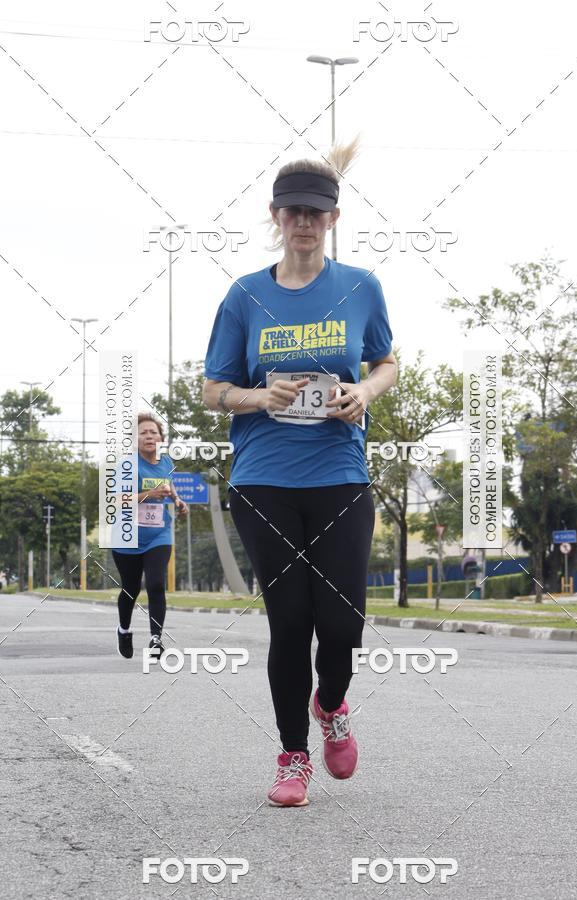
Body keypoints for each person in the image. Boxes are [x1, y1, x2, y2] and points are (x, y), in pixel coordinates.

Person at [202, 138, 397, 807]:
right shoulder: (246, 295)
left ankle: (332, 704)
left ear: (333, 219)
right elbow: (211, 388)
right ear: (275, 216)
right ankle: (292, 758)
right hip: (263, 479)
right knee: (290, 623)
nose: (305, 222)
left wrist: (364, 394)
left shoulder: (361, 288)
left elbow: (387, 362)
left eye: (316, 212)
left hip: (339, 472)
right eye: (293, 211)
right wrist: (260, 397)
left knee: (341, 624)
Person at [112, 413, 188, 659]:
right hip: (127, 536)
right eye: (143, 433)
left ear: (161, 438)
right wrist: (148, 494)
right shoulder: (126, 465)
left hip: (159, 534)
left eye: (153, 432)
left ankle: (156, 639)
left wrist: (177, 500)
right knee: (130, 589)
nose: (148, 436)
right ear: (134, 440)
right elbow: (116, 500)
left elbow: (169, 485)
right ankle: (124, 630)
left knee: (155, 583)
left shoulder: (166, 462)